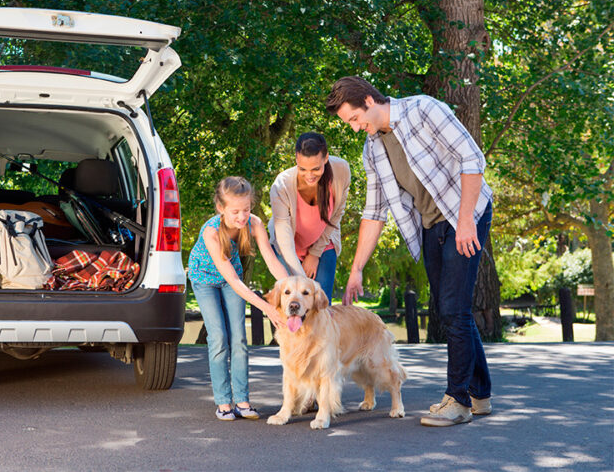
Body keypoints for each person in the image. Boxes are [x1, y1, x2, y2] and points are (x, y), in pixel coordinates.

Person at [325, 76, 494, 427]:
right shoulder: (373, 148)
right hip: (431, 225)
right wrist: (357, 268)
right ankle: (480, 394)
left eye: (355, 119)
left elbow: (472, 158)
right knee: (451, 308)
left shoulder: (423, 110)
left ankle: (458, 401)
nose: (356, 128)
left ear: (370, 100)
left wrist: (465, 222)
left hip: (466, 213)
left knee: (453, 309)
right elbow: (374, 211)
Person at [188, 176, 289, 421]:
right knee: (219, 337)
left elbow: (271, 259)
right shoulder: (212, 232)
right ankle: (223, 402)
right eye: (235, 211)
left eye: (246, 209)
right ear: (220, 208)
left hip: (232, 277)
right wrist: (269, 309)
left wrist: (290, 289)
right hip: (204, 279)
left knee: (239, 338)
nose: (242, 217)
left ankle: (242, 401)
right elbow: (233, 282)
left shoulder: (253, 223)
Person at [268, 132, 351, 302]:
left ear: (326, 157)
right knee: (293, 304)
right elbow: (284, 239)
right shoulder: (282, 185)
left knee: (320, 305)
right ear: (296, 160)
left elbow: (336, 216)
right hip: (288, 249)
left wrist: (314, 254)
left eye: (316, 169)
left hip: (323, 243)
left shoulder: (341, 170)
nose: (309, 175)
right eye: (302, 169)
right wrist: (302, 280)